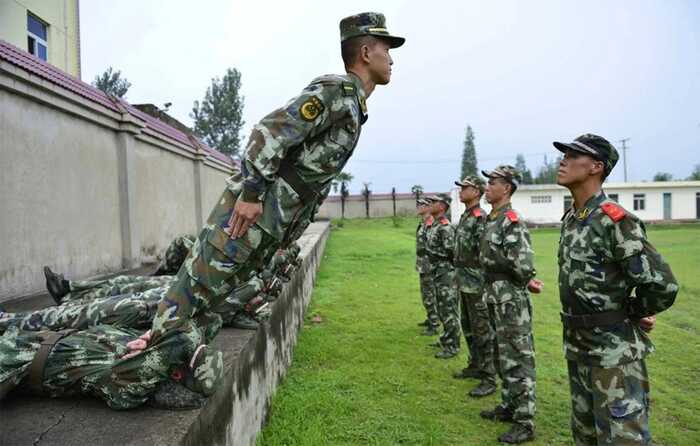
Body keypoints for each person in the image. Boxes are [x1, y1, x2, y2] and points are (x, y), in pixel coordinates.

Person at [125, 12, 405, 357]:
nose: (391, 59)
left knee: (218, 293)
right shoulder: (335, 92)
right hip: (253, 211)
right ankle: (141, 361)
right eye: (386, 50)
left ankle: (170, 360)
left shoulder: (354, 106)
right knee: (195, 286)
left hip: (275, 220)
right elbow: (269, 131)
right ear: (365, 53)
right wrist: (252, 194)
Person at [554, 133, 679, 445]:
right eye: (564, 154)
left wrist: (630, 313)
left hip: (613, 354)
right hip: (579, 347)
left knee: (623, 438)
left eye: (573, 155)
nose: (563, 160)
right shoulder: (572, 218)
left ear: (596, 166)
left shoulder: (616, 220)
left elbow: (663, 285)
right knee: (584, 435)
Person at [0, 322, 223, 410]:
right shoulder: (142, 353)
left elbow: (183, 336)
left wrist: (153, 337)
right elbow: (203, 320)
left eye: (185, 356)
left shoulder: (132, 384)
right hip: (24, 336)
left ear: (174, 372)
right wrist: (147, 339)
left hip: (13, 360)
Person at [478, 165, 542, 444]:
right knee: (503, 355)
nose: (487, 187)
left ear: (507, 188)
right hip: (494, 294)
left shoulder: (511, 220)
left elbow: (524, 266)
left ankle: (525, 421)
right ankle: (509, 405)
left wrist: (518, 281)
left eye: (492, 183)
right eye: (487, 182)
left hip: (510, 300)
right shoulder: (493, 219)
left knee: (519, 357)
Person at [452, 175, 497, 398]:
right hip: (464, 280)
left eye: (465, 188)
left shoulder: (480, 217)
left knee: (483, 330)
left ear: (477, 192)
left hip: (477, 281)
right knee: (468, 325)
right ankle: (475, 364)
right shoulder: (466, 215)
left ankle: (489, 376)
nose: (461, 191)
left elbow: (484, 251)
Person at [425, 193, 461, 359]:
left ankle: (453, 345)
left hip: (446, 273)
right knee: (442, 308)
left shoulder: (445, 227)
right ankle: (446, 338)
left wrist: (434, 253)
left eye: (433, 202)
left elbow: (452, 252)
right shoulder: (435, 225)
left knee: (449, 310)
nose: (430, 204)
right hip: (438, 272)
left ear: (442, 206)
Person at [415, 197, 440, 335]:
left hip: (429, 265)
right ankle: (430, 318)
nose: (418, 206)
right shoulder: (423, 222)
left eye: (421, 204)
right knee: (426, 294)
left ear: (427, 207)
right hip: (423, 264)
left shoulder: (430, 223)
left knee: (429, 295)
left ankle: (434, 323)